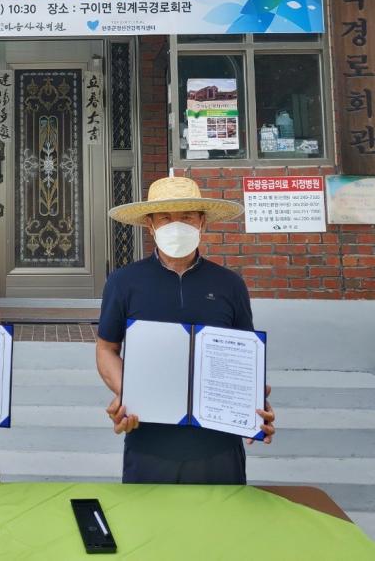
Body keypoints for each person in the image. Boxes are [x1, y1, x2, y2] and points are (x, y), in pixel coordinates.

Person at [96, 175, 275, 485]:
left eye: (187, 216)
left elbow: (243, 357)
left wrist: (253, 402)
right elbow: (106, 348)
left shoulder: (230, 285)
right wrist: (128, 393)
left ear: (202, 222)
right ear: (150, 224)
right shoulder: (123, 282)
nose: (176, 225)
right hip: (148, 441)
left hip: (218, 446)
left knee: (220, 516)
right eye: (165, 217)